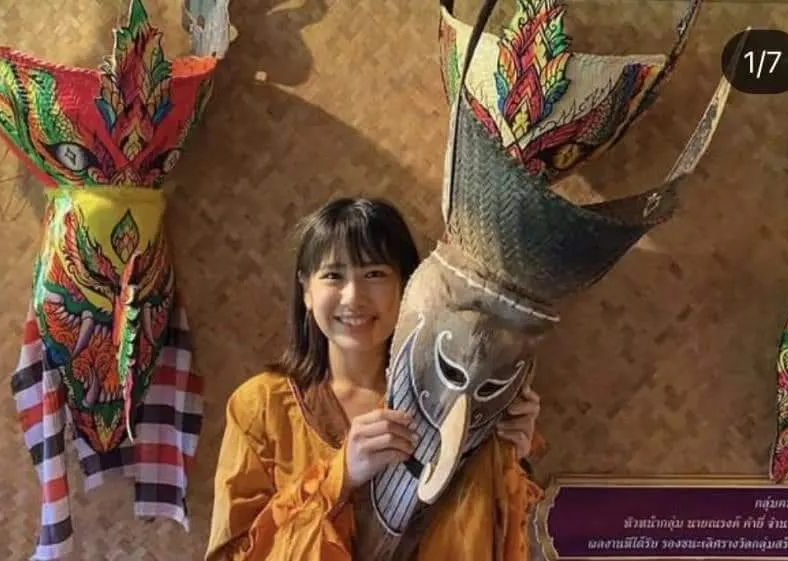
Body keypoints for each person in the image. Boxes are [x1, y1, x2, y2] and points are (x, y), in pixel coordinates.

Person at [204, 197, 545, 561]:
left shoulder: (454, 398)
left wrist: (510, 459)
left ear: (407, 285)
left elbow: (494, 540)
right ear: (306, 290)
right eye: (333, 275)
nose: (354, 297)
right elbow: (233, 554)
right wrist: (341, 477)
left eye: (374, 274)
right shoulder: (260, 406)